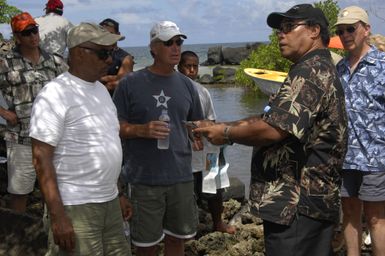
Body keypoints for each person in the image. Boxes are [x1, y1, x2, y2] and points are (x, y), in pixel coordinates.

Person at [194, 4, 348, 256]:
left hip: (297, 205)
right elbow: (273, 117)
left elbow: (274, 130)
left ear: (313, 31)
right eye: (279, 28)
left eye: (288, 27)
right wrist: (222, 125)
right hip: (306, 204)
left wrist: (226, 134)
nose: (280, 33)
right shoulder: (314, 67)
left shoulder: (310, 71)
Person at [29, 22, 131, 255]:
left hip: (109, 202)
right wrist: (58, 217)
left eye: (112, 53)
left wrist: (119, 194)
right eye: (104, 53)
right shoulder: (54, 95)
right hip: (76, 205)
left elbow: (105, 144)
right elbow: (40, 158)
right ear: (78, 53)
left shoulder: (101, 91)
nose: (109, 60)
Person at [113, 21, 203, 256]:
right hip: (143, 179)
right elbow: (114, 128)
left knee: (177, 240)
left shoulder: (187, 85)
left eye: (178, 42)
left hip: (181, 176)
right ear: (153, 48)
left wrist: (201, 134)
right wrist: (141, 130)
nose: (175, 48)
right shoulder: (130, 84)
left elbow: (196, 125)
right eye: (168, 43)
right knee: (145, 245)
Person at [0, 12, 67, 213]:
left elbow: (71, 88)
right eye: (26, 33)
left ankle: (51, 234)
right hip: (21, 137)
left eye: (34, 30)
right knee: (19, 191)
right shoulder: (5, 63)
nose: (33, 36)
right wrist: (3, 112)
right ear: (17, 37)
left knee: (53, 189)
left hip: (52, 137)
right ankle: (18, 237)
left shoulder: (54, 61)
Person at [335, 6, 385, 256]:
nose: (345, 34)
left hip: (377, 157)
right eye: (340, 30)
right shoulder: (339, 69)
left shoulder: (383, 65)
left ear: (366, 29)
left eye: (350, 28)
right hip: (345, 158)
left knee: (376, 219)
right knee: (350, 215)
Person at [177, 50, 236, 234]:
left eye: (195, 66)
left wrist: (207, 125)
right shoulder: (174, 92)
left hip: (209, 152)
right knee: (187, 193)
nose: (192, 70)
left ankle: (218, 223)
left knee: (215, 189)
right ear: (179, 67)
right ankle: (186, 230)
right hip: (187, 154)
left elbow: (211, 120)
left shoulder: (203, 92)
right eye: (188, 66)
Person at [99, 18, 134, 96]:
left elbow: (123, 81)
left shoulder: (125, 57)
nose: (107, 37)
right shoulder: (94, 53)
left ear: (117, 34)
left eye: (110, 33)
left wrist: (100, 80)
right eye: (104, 34)